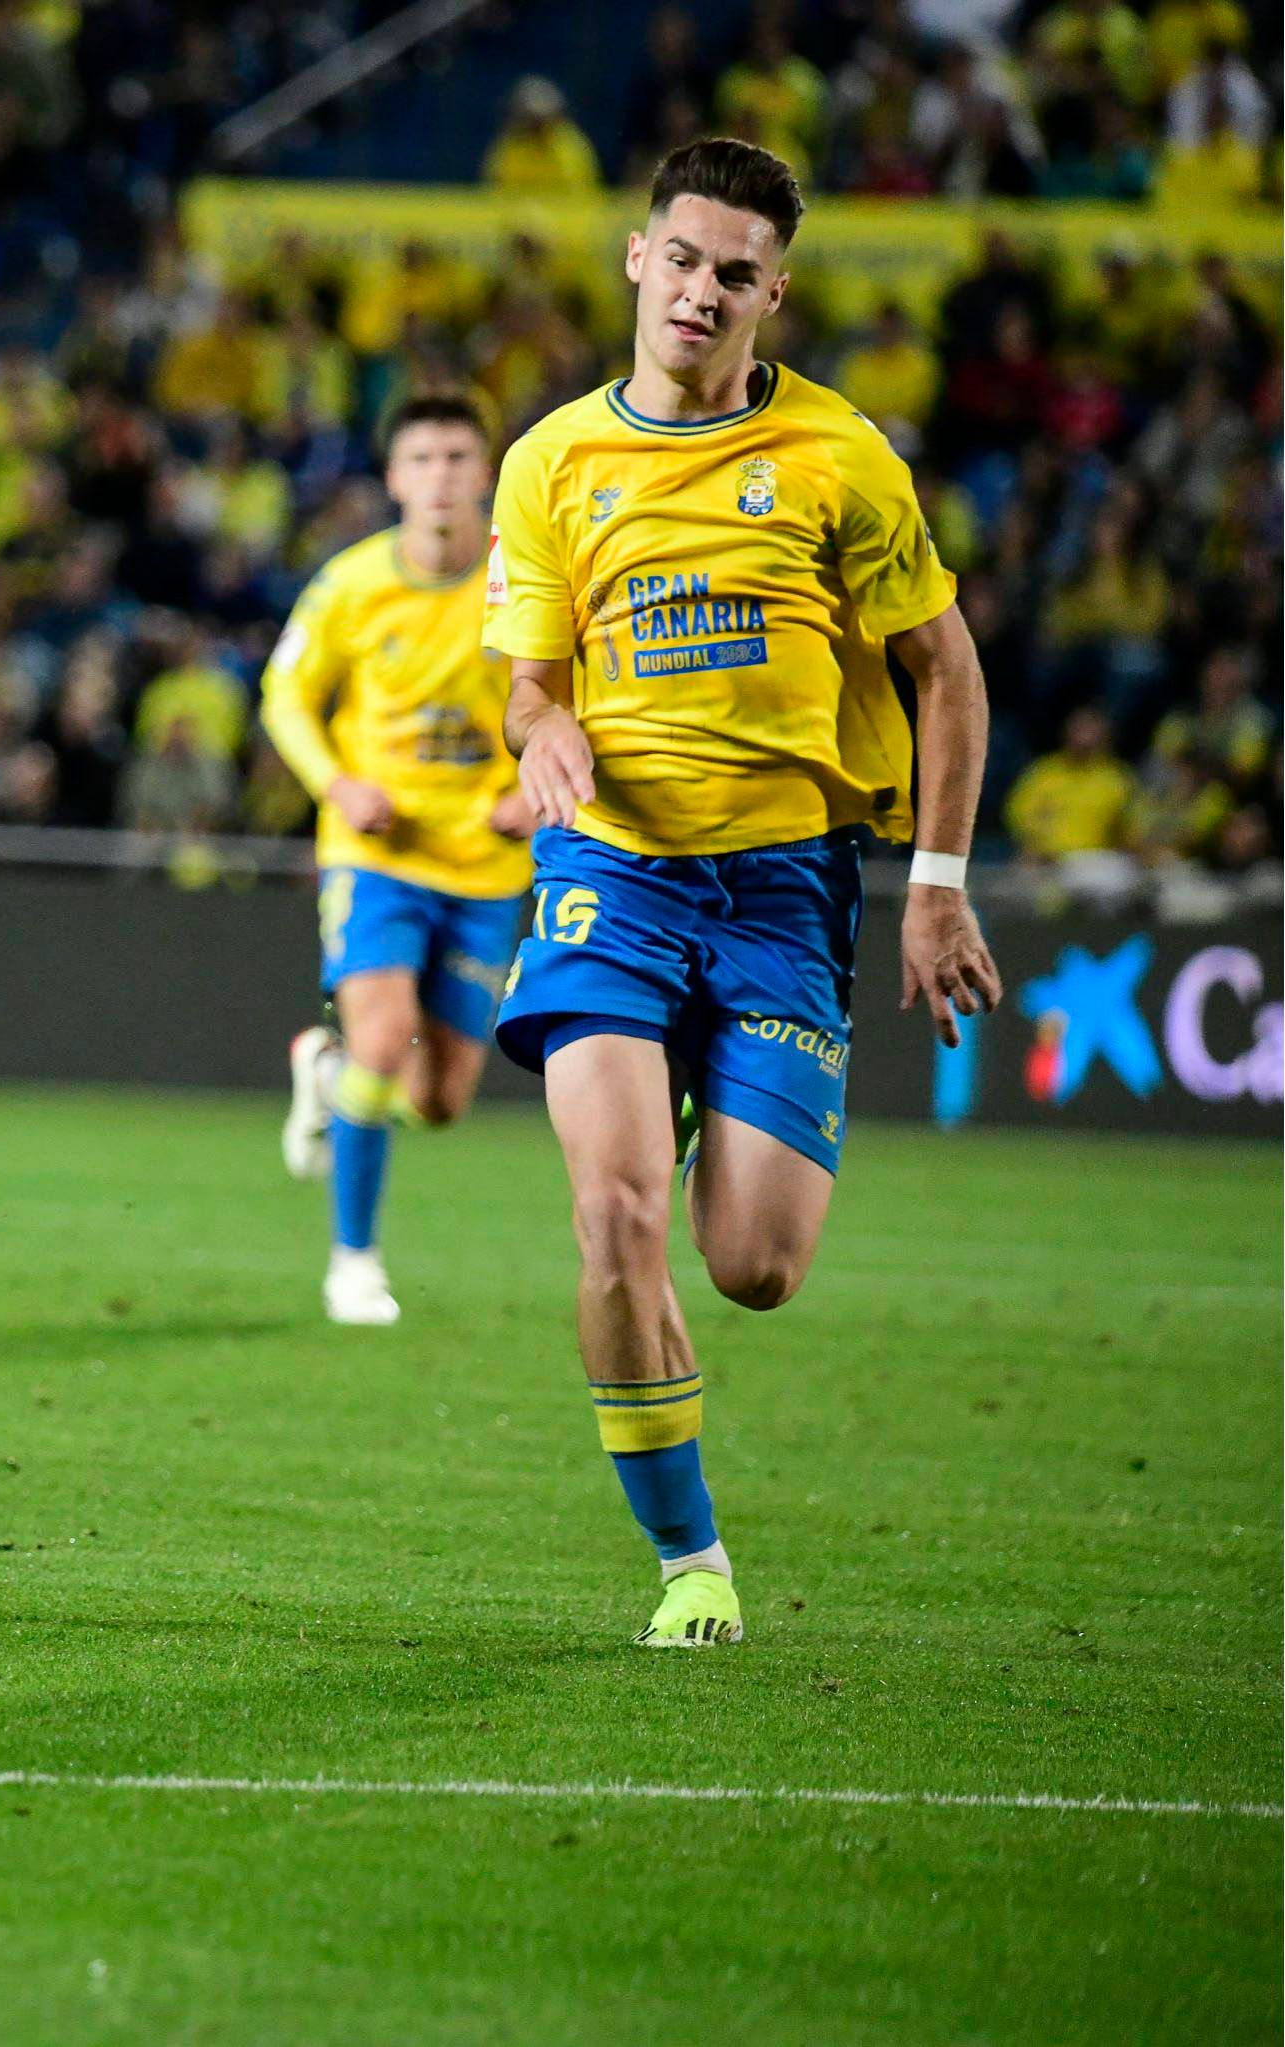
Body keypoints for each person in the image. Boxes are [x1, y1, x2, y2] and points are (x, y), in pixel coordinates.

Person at [484, 139, 1003, 1650]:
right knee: (616, 1216)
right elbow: (525, 683)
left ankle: (690, 1104)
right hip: (610, 871)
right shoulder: (550, 462)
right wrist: (546, 723)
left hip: (785, 885)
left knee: (753, 1265)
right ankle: (688, 1560)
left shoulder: (841, 459)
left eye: (735, 272)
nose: (702, 291)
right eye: (682, 259)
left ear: (774, 289)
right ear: (635, 259)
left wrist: (934, 885)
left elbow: (946, 675)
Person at [263, 392, 533, 1326]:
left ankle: (329, 1074)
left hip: (488, 864)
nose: (442, 477)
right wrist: (337, 785)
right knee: (387, 1037)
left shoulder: (527, 576)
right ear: (393, 478)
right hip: (376, 854)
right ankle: (353, 1263)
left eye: (459, 457)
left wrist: (538, 786)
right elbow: (285, 696)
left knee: (441, 1099)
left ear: (487, 470)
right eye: (422, 459)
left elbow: (578, 692)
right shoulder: (349, 583)